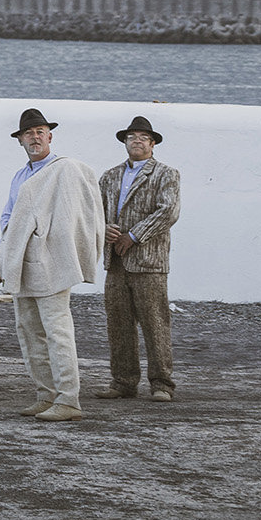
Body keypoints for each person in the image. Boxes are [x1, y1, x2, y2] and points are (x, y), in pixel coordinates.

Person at [0, 108, 105, 423]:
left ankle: (68, 399)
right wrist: (13, 238)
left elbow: (79, 213)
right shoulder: (20, 176)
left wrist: (52, 242)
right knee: (28, 329)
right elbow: (9, 215)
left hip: (51, 260)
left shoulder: (65, 170)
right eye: (28, 133)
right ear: (20, 140)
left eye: (40, 131)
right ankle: (45, 395)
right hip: (23, 259)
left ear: (50, 136)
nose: (34, 137)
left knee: (57, 328)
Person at [97, 116, 182, 403]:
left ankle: (162, 384)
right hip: (116, 262)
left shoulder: (166, 174)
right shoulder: (109, 176)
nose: (136, 140)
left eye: (143, 137)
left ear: (153, 143)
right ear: (124, 141)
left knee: (155, 323)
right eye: (131, 136)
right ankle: (122, 382)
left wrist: (133, 235)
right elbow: (95, 211)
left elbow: (168, 212)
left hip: (148, 261)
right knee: (118, 325)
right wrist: (103, 229)